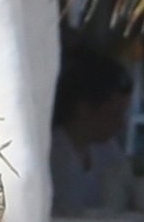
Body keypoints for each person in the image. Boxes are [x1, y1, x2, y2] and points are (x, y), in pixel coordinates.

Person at [49, 46, 134, 213]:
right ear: (84, 108)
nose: (121, 124)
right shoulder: (55, 156)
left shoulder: (107, 149)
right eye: (114, 114)